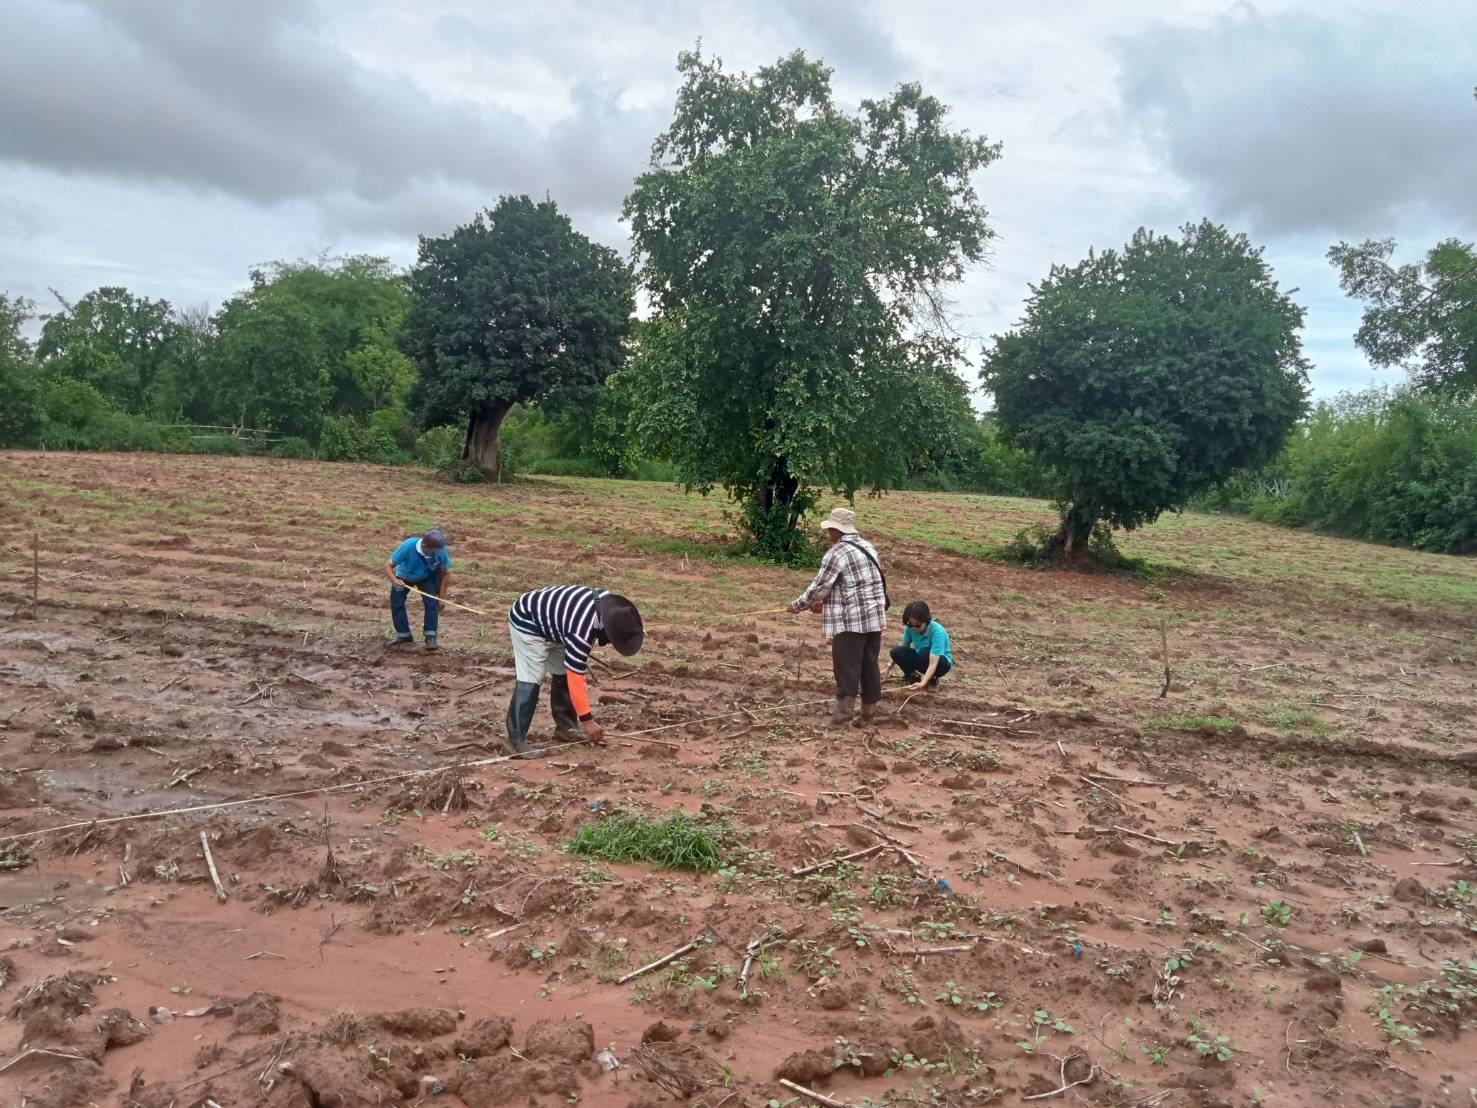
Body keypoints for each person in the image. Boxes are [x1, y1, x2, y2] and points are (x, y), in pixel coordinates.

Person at [504, 586, 644, 757]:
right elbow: (575, 675)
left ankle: (566, 727)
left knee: (562, 669)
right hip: (527, 618)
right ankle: (514, 742)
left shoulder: (610, 606)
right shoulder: (582, 631)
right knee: (531, 676)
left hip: (558, 624)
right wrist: (588, 721)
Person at [790, 506, 888, 728]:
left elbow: (820, 586)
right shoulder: (868, 547)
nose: (828, 533)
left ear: (837, 529)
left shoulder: (837, 553)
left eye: (830, 529)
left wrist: (798, 605)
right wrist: (823, 601)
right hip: (874, 617)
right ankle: (868, 715)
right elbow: (855, 584)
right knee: (869, 665)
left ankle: (842, 718)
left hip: (850, 620)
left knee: (846, 668)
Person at [386, 529, 452, 652]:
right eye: (434, 550)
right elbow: (388, 565)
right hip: (404, 575)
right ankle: (404, 635)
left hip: (426, 576)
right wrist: (394, 580)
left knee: (432, 602)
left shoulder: (441, 550)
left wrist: (441, 598)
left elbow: (446, 573)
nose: (437, 553)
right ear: (424, 546)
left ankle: (430, 637)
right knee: (396, 602)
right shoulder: (408, 546)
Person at [890, 601, 953, 690]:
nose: (913, 628)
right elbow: (903, 647)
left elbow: (933, 663)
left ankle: (933, 678)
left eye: (917, 625)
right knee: (896, 651)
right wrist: (889, 665)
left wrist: (923, 683)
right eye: (910, 624)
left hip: (940, 663)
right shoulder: (910, 629)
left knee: (924, 653)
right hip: (922, 658)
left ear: (926, 621)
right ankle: (913, 676)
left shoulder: (938, 632)